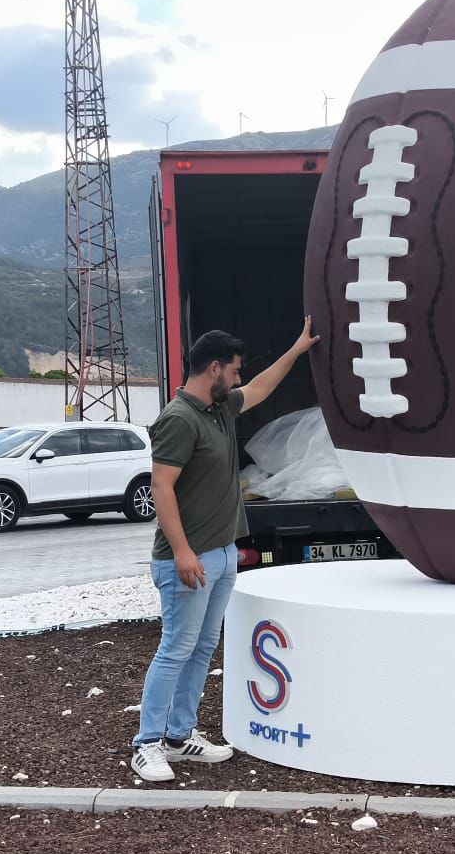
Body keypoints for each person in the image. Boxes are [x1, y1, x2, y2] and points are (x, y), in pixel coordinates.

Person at [131, 320, 318, 781]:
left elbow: (260, 388)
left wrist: (297, 348)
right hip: (188, 559)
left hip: (222, 554)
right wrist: (182, 552)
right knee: (175, 649)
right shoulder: (179, 419)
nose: (238, 379)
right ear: (213, 368)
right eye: (233, 371)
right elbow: (161, 487)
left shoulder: (220, 407)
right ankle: (147, 744)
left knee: (201, 649)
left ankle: (180, 737)